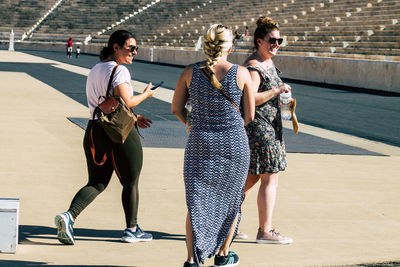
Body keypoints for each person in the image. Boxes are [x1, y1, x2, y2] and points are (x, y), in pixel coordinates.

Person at [55, 30, 157, 245]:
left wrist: (134, 117)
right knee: (130, 180)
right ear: (116, 47)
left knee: (97, 181)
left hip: (95, 129)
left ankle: (69, 216)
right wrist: (146, 94)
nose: (134, 52)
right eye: (130, 48)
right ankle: (132, 229)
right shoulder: (120, 71)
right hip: (120, 133)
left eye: (136, 48)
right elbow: (127, 101)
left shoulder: (95, 69)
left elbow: (108, 104)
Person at [172, 24, 255, 267]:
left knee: (196, 202)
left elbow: (176, 108)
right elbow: (248, 115)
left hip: (200, 144)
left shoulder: (190, 72)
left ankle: (191, 259)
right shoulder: (241, 73)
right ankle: (223, 254)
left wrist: (192, 123)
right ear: (229, 46)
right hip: (233, 145)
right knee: (232, 200)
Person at [239, 16, 293, 244]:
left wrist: (285, 99)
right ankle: (265, 231)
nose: (276, 44)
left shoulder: (267, 63)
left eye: (279, 40)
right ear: (259, 41)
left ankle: (225, 224)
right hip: (260, 129)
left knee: (248, 180)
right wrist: (276, 91)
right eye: (272, 40)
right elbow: (249, 99)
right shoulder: (253, 66)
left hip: (270, 126)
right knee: (270, 177)